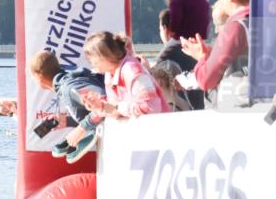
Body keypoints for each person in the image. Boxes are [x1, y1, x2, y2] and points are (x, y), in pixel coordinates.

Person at [79, 32, 170, 160]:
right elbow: (116, 109)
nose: (91, 63)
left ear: (103, 56)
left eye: (91, 59)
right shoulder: (110, 73)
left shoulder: (131, 70)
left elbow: (151, 107)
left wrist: (117, 107)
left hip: (158, 140)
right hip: (142, 142)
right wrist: (99, 105)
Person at [181, 0, 250, 108]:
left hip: (237, 107)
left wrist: (201, 57)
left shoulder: (235, 27)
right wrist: (211, 53)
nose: (220, 1)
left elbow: (206, 79)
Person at [27, 50, 106, 161]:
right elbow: (97, 110)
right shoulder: (67, 84)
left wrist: (81, 129)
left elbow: (104, 103)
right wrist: (67, 121)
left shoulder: (69, 88)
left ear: (38, 77)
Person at [154, 9, 204, 109]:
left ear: (165, 28)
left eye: (160, 30)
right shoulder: (194, 45)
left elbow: (157, 84)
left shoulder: (165, 54)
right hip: (204, 104)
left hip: (183, 109)